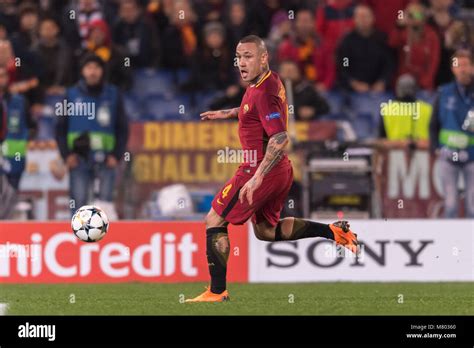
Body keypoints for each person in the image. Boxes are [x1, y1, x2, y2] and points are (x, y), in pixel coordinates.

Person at [186, 35, 359, 302]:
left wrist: (257, 177)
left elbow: (280, 137)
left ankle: (216, 291)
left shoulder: (264, 91)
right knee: (266, 231)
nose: (241, 63)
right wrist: (229, 113)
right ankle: (334, 232)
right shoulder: (267, 81)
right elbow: (253, 109)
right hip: (281, 170)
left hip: (257, 169)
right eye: (238, 57)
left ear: (264, 57)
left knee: (214, 220)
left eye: (248, 56)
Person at [55, 54, 129, 215]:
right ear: (82, 71)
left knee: (105, 205)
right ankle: (78, 238)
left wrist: (116, 155)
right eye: (89, 68)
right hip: (78, 159)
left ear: (102, 71)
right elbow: (60, 128)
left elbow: (122, 128)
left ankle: (106, 240)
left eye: (96, 68)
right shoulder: (70, 95)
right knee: (79, 202)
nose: (92, 72)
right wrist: (66, 155)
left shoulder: (114, 95)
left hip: (106, 159)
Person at [430, 49, 474, 218]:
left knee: (472, 205)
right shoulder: (444, 93)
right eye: (458, 65)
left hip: (472, 157)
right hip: (448, 156)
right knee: (450, 204)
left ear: (472, 67)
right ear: (453, 68)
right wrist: (435, 147)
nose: (462, 69)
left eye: (466, 65)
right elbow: (434, 124)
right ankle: (449, 243)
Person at [337, 4, 394, 93]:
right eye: (359, 17)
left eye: (366, 16)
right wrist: (353, 83)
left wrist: (382, 81)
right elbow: (344, 66)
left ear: (373, 18)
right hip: (353, 91)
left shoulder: (382, 39)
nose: (363, 20)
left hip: (380, 91)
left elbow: (389, 64)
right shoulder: (347, 42)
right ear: (354, 19)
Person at [388, 2, 440, 90]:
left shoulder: (431, 35)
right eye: (410, 15)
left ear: (423, 17)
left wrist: (425, 81)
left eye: (418, 15)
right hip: (403, 81)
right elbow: (392, 43)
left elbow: (434, 61)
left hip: (424, 82)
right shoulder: (403, 32)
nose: (414, 18)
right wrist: (399, 26)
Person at [379, 74, 432, 149]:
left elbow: (381, 140)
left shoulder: (387, 109)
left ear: (397, 89)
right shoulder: (428, 109)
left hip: (394, 153)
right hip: (423, 153)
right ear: (415, 89)